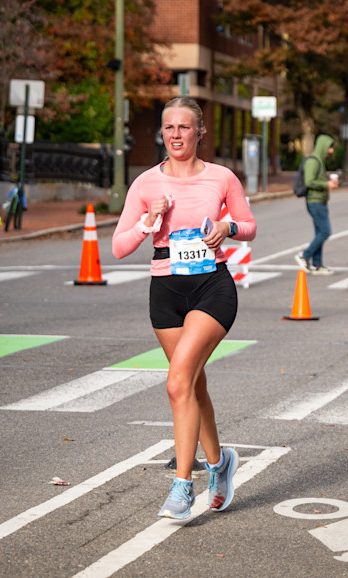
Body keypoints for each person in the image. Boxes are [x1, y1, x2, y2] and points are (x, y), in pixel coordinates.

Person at [112, 97, 257, 519]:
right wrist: (148, 222)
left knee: (177, 382)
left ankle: (181, 485)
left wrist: (228, 227)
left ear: (199, 132)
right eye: (168, 127)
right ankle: (220, 463)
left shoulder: (221, 178)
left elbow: (249, 226)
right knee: (193, 385)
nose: (175, 135)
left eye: (184, 127)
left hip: (212, 287)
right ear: (162, 132)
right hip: (166, 293)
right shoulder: (145, 184)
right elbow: (119, 248)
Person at [294, 134, 338, 275]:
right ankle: (304, 255)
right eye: (330, 147)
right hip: (315, 201)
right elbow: (309, 181)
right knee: (325, 232)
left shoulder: (319, 161)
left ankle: (317, 264)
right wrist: (326, 184)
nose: (331, 151)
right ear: (323, 146)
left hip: (320, 201)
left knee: (320, 232)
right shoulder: (313, 161)